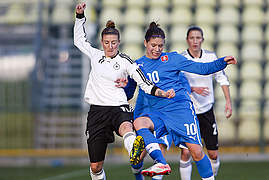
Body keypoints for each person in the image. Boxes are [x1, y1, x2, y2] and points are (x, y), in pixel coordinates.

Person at [74, 3, 175, 180]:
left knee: (127, 127)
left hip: (119, 107)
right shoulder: (95, 55)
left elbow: (144, 83)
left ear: (119, 42)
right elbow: (79, 40)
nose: (110, 46)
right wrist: (80, 16)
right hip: (97, 111)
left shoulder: (126, 61)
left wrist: (161, 92)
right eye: (106, 42)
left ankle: (134, 150)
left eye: (113, 42)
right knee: (96, 167)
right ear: (102, 42)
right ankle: (129, 153)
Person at [129, 21, 237, 179]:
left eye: (160, 46)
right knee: (139, 123)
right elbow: (131, 91)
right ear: (145, 43)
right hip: (156, 113)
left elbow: (202, 69)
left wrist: (222, 62)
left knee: (196, 151)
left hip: (180, 110)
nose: (157, 49)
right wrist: (122, 87)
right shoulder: (137, 65)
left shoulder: (172, 58)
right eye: (153, 45)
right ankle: (160, 162)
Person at [178, 26, 233, 179]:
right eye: (192, 38)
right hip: (188, 112)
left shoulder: (210, 57)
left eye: (198, 38)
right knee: (186, 151)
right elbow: (178, 83)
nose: (195, 41)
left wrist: (228, 101)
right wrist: (193, 88)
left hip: (206, 110)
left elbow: (221, 78)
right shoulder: (182, 58)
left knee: (213, 154)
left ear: (202, 40)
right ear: (187, 40)